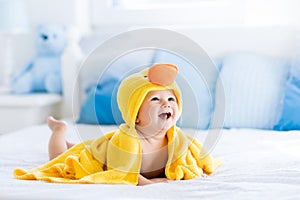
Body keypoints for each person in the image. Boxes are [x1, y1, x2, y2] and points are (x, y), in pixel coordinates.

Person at [14, 63, 222, 186]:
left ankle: (73, 141)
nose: (166, 104)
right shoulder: (130, 139)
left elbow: (193, 156)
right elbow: (123, 171)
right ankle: (59, 130)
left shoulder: (177, 139)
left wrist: (195, 169)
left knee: (83, 145)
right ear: (135, 115)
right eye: (155, 100)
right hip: (103, 156)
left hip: (104, 144)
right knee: (65, 158)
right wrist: (150, 183)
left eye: (171, 100)